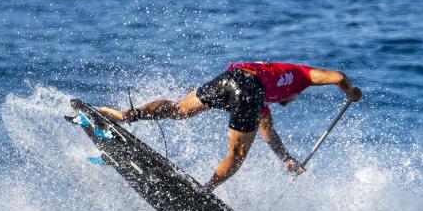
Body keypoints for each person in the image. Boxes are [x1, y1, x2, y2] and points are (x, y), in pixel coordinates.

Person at [99, 62, 362, 191]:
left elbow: (267, 131)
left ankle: (126, 115)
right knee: (237, 155)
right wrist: (350, 94)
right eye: (289, 101)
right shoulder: (303, 77)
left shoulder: (268, 92)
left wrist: (286, 159)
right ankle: (204, 192)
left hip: (231, 77)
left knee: (179, 110)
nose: (287, 103)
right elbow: (338, 76)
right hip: (248, 88)